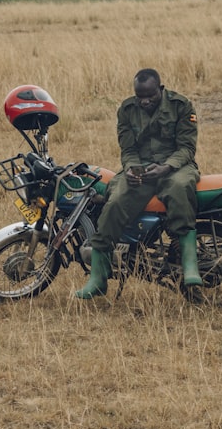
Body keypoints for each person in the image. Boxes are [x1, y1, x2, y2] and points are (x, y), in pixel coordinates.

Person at [76, 68, 203, 299]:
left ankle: (189, 263)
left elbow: (186, 148)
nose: (144, 101)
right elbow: (128, 149)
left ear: (160, 89)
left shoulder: (181, 105)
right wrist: (132, 168)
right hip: (141, 170)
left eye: (150, 96)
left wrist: (167, 167)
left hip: (176, 167)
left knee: (178, 188)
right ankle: (98, 276)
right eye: (140, 96)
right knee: (114, 203)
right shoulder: (126, 109)